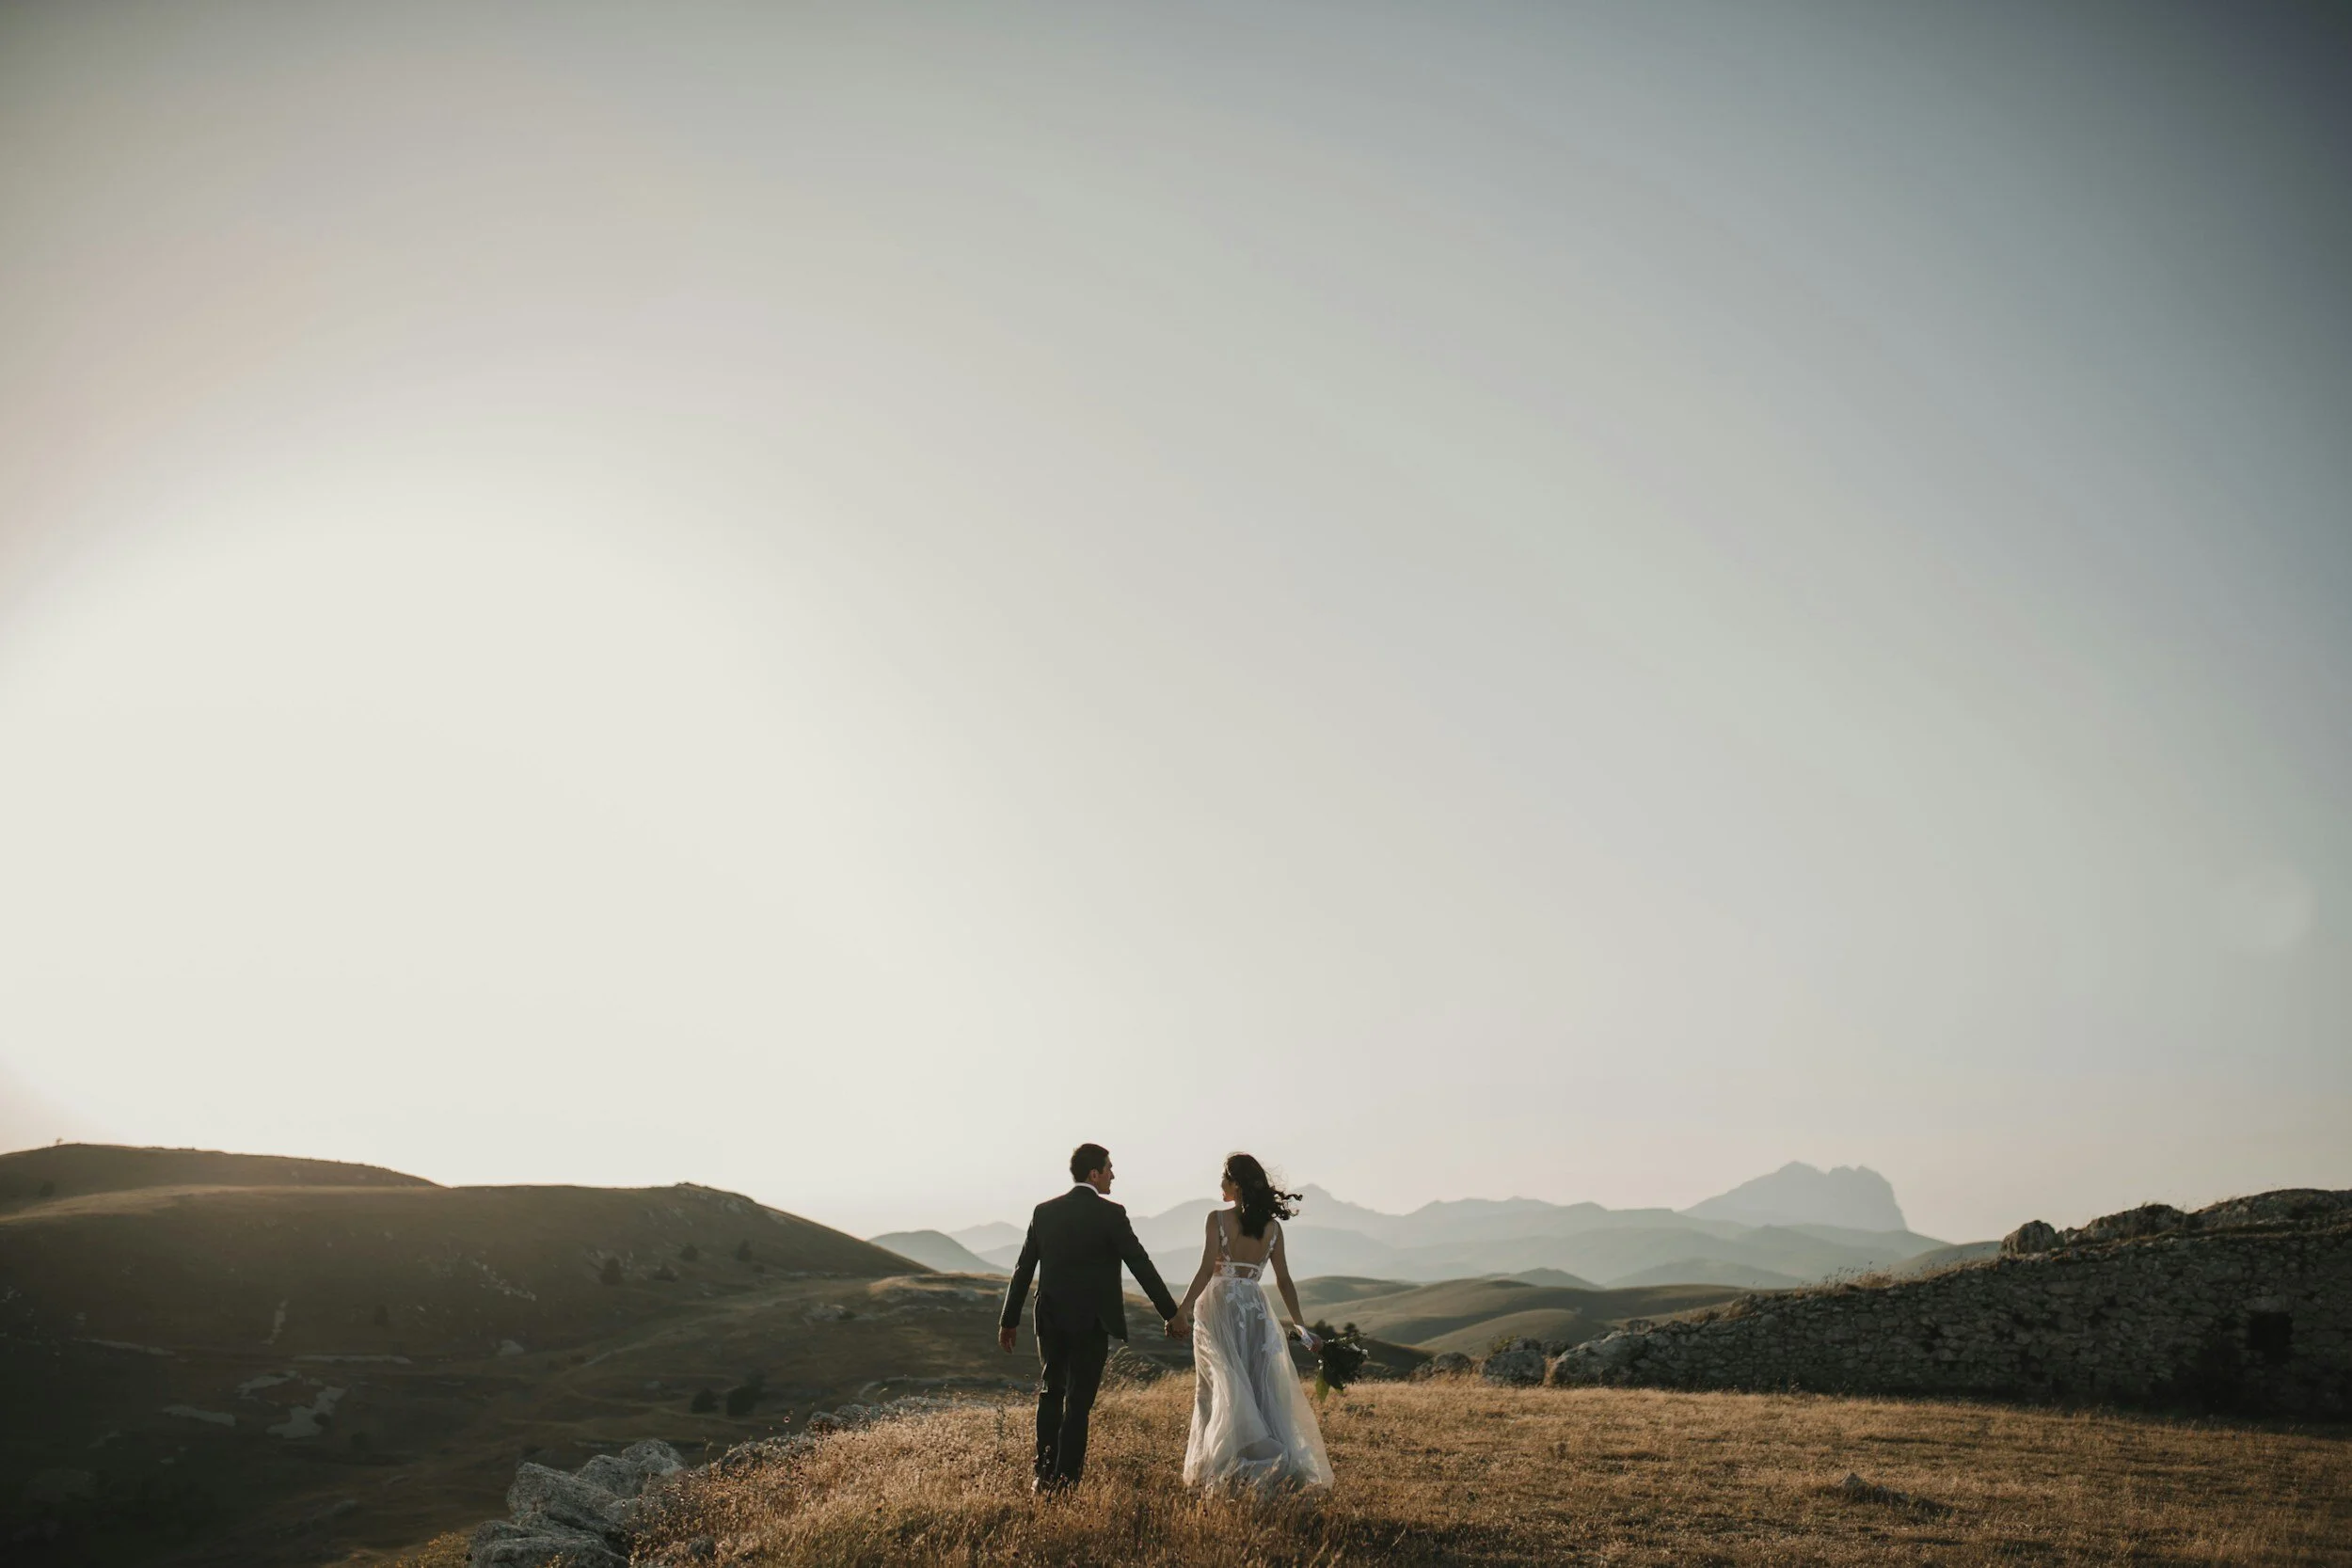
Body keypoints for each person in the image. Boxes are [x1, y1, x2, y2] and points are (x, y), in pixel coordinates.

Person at [997, 1142, 1184, 1491]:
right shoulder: (1111, 1214)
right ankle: (1066, 1481)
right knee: (1078, 1404)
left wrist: (1009, 1320)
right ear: (1093, 1174)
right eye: (1109, 1168)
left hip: (1050, 1318)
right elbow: (1140, 1263)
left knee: (1051, 1392)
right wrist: (1170, 1313)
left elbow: (1023, 1268)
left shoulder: (1044, 1212)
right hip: (1092, 1322)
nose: (1113, 1174)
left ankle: (1043, 1474)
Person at [1171, 1152, 1333, 1493]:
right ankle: (1263, 1464)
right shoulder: (1272, 1229)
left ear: (1237, 1184)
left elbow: (1205, 1270)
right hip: (1255, 1309)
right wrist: (1300, 1325)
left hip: (1219, 1307)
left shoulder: (1216, 1219)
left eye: (1224, 1178)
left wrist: (1182, 1309)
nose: (1220, 1184)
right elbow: (1285, 1281)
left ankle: (1226, 1466)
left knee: (1219, 1385)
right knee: (1258, 1387)